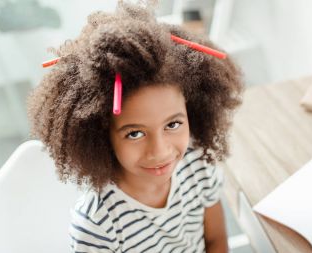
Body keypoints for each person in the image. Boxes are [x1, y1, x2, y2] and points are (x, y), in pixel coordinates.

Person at [27, 1, 243, 252]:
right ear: (101, 135)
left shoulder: (198, 164)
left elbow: (215, 240)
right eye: (135, 133)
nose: (160, 151)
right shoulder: (97, 226)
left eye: (172, 124)